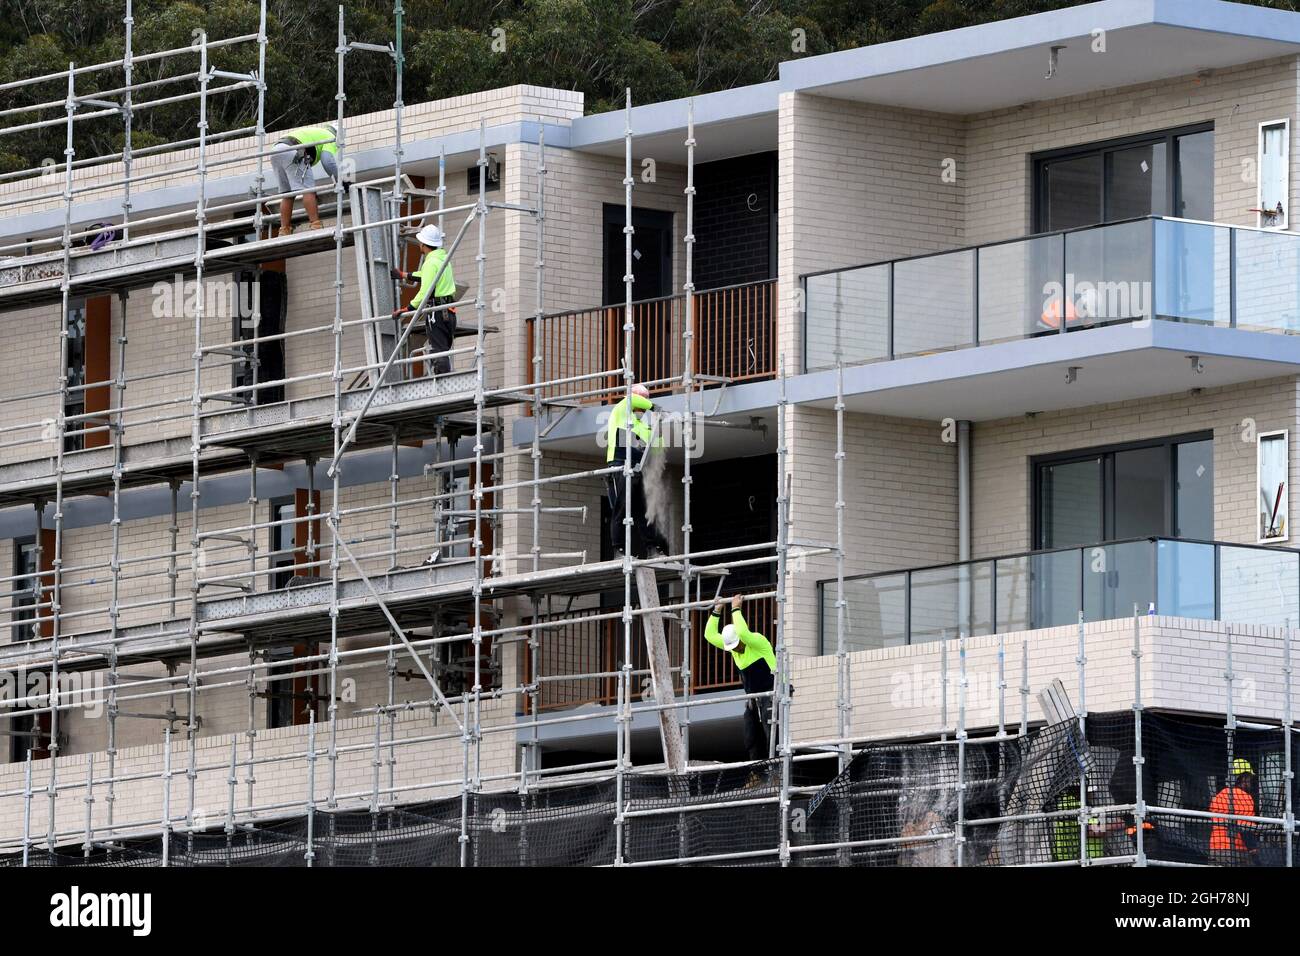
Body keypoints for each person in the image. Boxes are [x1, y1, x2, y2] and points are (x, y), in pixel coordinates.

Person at [705, 594, 778, 771]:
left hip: (772, 692)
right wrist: (717, 610)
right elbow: (709, 635)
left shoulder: (756, 641)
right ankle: (757, 774)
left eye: (738, 644)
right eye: (733, 647)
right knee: (751, 735)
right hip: (753, 697)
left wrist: (736, 608)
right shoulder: (734, 649)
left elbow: (743, 632)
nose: (736, 649)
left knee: (772, 732)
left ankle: (777, 773)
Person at [603, 383, 668, 558]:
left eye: (644, 407)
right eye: (640, 405)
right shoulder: (619, 411)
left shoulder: (641, 427)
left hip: (636, 471)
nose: (642, 409)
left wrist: (658, 430)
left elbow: (656, 449)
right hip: (619, 467)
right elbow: (634, 400)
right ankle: (618, 551)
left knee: (642, 510)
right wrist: (655, 407)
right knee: (621, 508)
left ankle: (652, 548)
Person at [391, 224, 457, 375]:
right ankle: (443, 376)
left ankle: (442, 383)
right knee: (443, 348)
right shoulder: (443, 260)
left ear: (423, 244)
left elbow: (424, 292)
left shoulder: (430, 263)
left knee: (438, 350)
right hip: (449, 312)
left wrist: (407, 309)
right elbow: (426, 276)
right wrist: (404, 275)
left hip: (437, 313)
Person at [271, 123, 344, 236]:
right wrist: (341, 180)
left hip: (276, 150)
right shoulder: (331, 137)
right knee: (308, 190)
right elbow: (327, 161)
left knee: (287, 194)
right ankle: (315, 224)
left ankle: (284, 229)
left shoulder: (317, 133)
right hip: (294, 150)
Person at [1209, 757, 1259, 866]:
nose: (1250, 782)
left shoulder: (1218, 796)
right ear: (1244, 778)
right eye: (1249, 778)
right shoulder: (1245, 797)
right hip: (1236, 851)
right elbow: (1246, 827)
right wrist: (1254, 851)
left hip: (1215, 849)